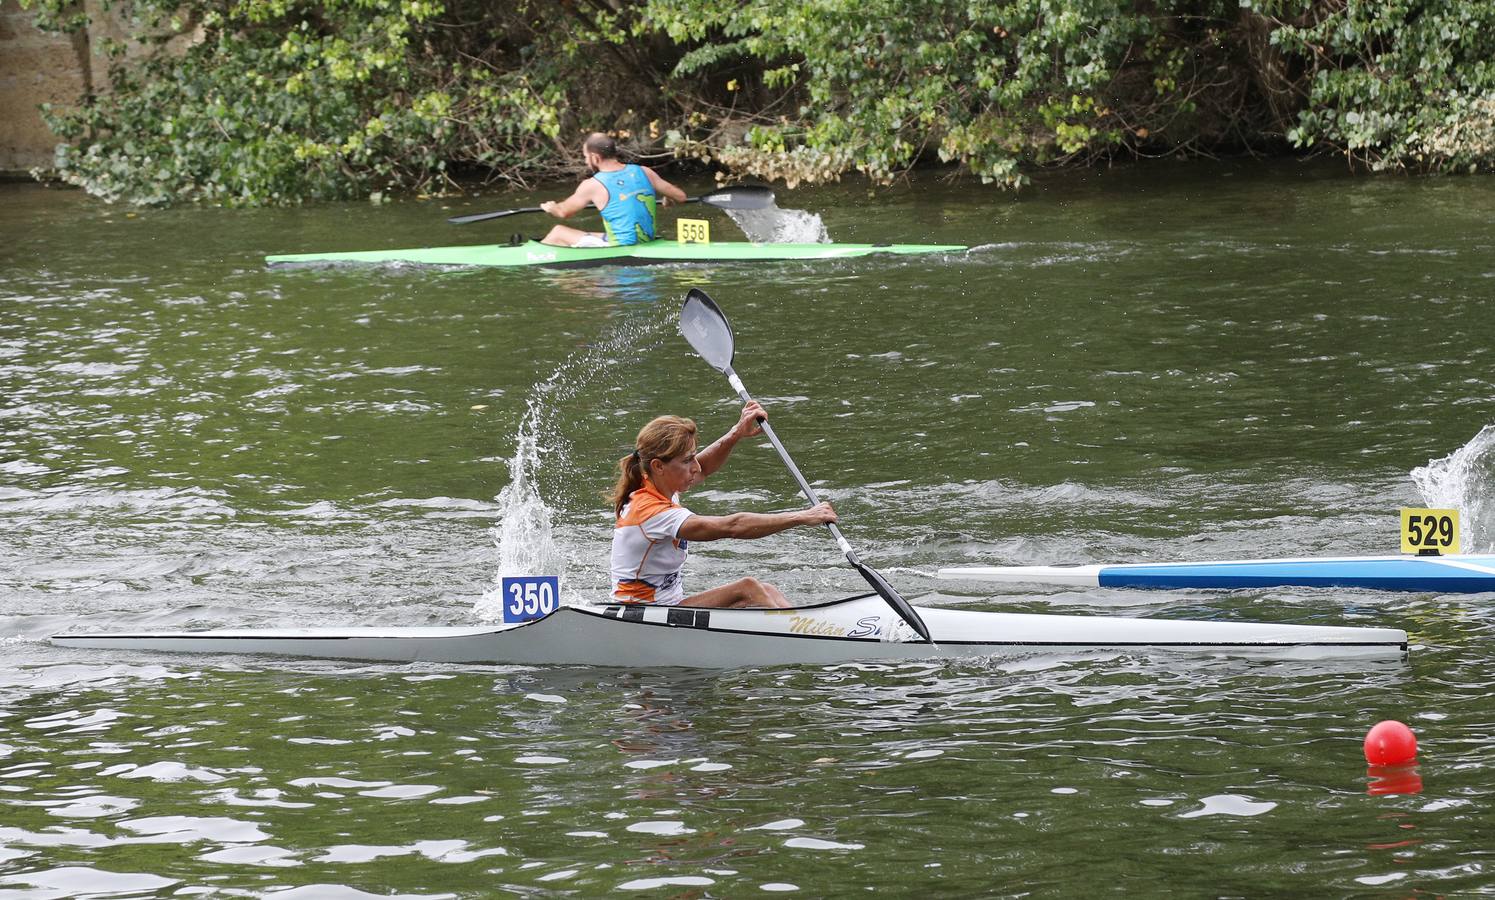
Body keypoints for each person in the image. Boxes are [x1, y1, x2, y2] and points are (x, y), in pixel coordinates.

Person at [609, 401, 837, 609]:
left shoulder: (657, 481)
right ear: (659, 466)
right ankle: (803, 637)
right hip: (642, 613)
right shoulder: (650, 510)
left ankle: (812, 628)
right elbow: (733, 526)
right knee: (748, 589)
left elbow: (705, 467)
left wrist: (737, 432)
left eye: (693, 457)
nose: (696, 467)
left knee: (767, 590)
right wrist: (802, 517)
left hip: (670, 606)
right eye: (688, 460)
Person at [540, 133, 687, 248]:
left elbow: (563, 212)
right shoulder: (643, 171)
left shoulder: (592, 185)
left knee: (558, 232)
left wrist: (551, 207)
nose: (585, 161)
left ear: (595, 157)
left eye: (585, 157)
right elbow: (681, 196)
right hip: (647, 240)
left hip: (621, 247)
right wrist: (668, 197)